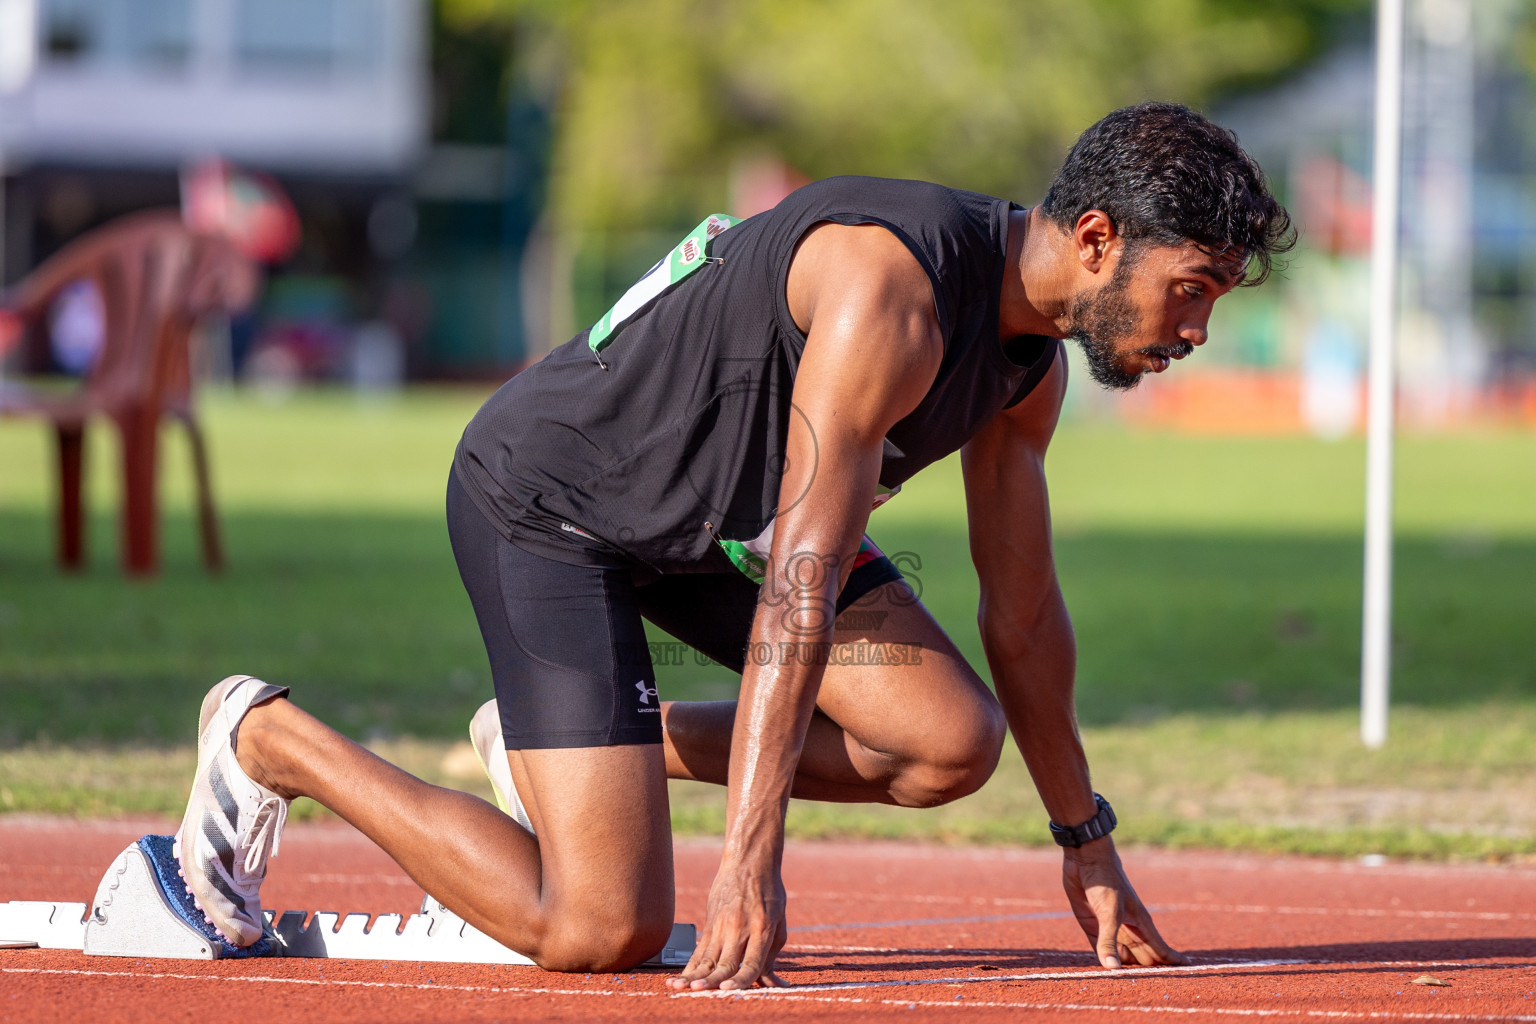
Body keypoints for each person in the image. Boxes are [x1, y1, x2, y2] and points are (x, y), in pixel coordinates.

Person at [173, 102, 1294, 989]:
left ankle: (555, 756)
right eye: (1188, 291)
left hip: (724, 536)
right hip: (554, 504)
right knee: (603, 926)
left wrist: (1083, 836)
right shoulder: (888, 289)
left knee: (950, 742)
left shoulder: (1028, 370)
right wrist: (749, 865)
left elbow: (1025, 618)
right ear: (1097, 240)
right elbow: (802, 577)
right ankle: (272, 739)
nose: (1194, 331)